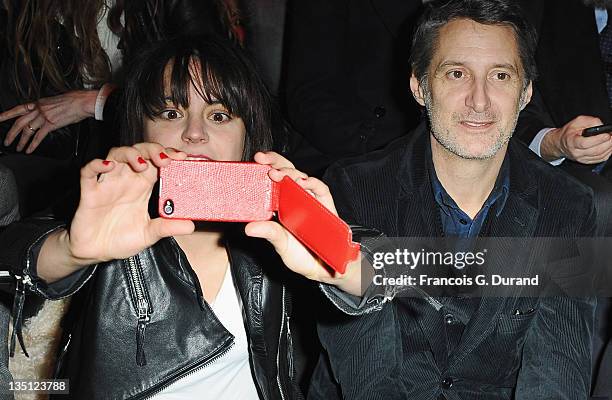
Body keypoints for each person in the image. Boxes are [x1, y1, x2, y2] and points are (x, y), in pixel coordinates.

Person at [0, 35, 336, 399]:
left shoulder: (276, 217)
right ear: (141, 127)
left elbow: (400, 272)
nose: (194, 133)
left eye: (219, 115)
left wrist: (339, 258)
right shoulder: (109, 210)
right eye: (171, 113)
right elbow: (10, 255)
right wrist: (69, 252)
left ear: (247, 136)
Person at [305, 0, 597, 398]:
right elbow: (367, 368)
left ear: (525, 92)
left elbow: (557, 366)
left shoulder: (568, 206)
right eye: (457, 73)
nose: (479, 100)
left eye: (500, 75)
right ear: (419, 86)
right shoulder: (354, 189)